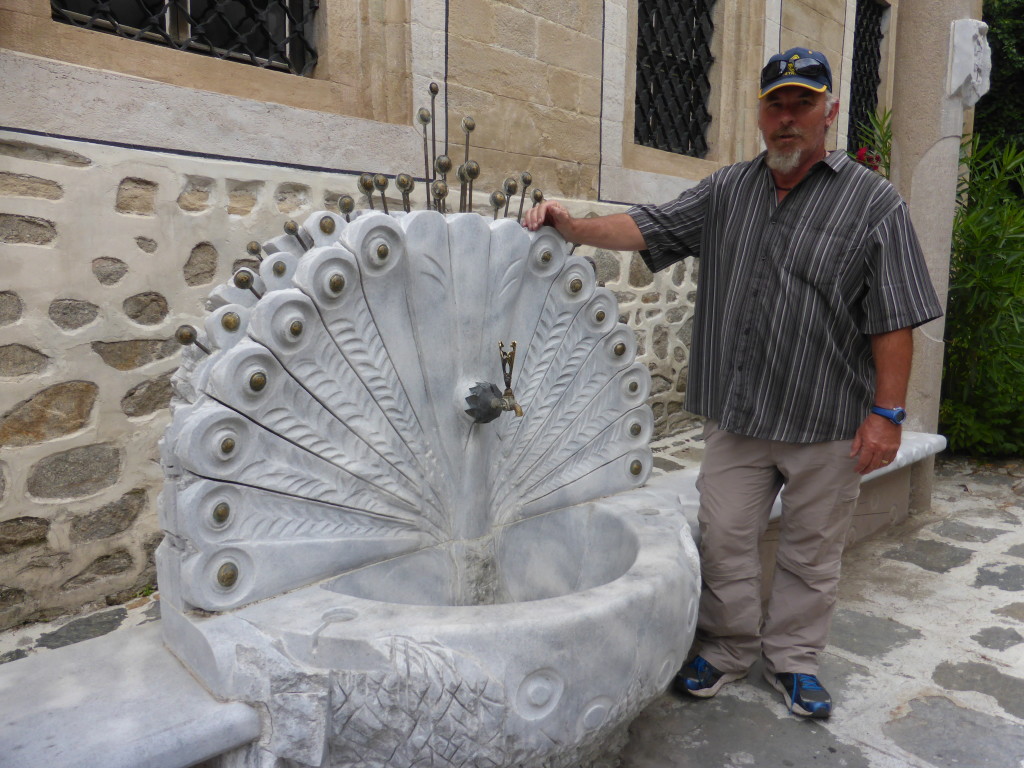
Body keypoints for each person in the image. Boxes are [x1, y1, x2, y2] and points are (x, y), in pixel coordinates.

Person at [522, 47, 943, 719]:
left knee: (810, 553)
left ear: (829, 111)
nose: (787, 118)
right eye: (775, 104)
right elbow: (650, 225)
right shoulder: (727, 191)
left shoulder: (873, 205)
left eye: (802, 103)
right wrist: (574, 226)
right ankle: (724, 649)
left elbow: (894, 319)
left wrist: (887, 414)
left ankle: (794, 660)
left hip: (826, 422)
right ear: (759, 113)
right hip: (739, 417)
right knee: (724, 539)